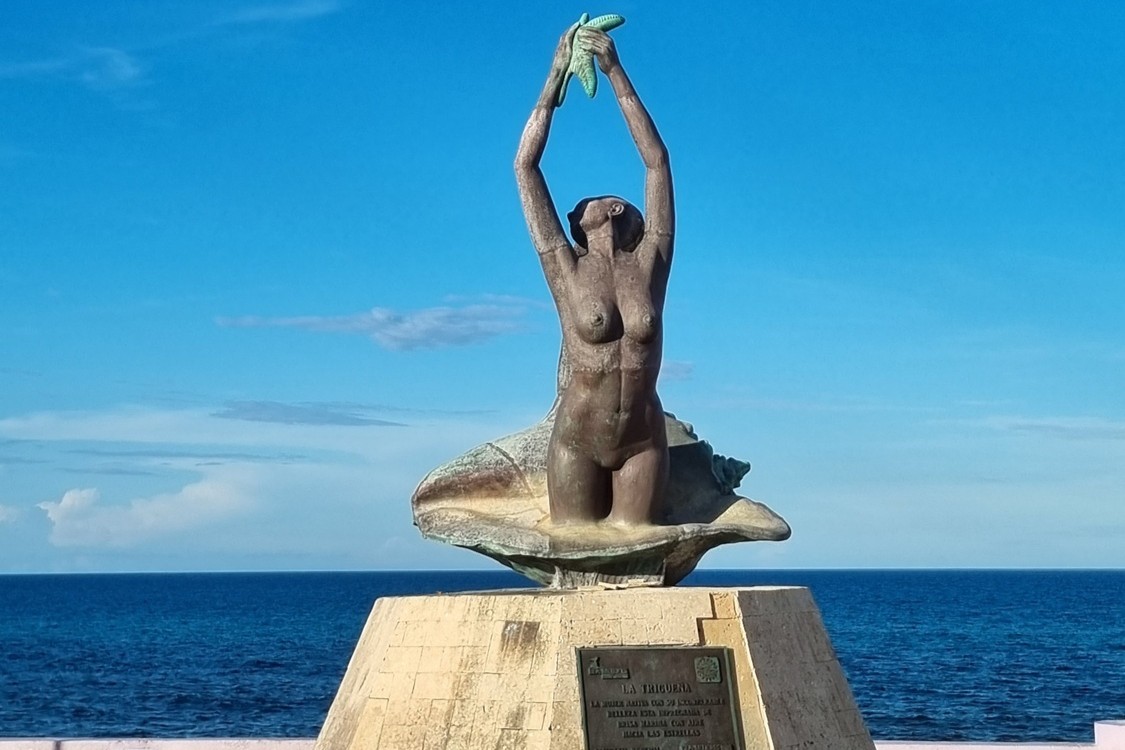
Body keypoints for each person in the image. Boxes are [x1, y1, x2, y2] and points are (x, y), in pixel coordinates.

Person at [514, 23, 674, 526]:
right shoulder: (566, 267)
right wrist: (553, 79)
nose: (570, 212)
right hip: (578, 439)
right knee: (571, 550)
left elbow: (656, 163)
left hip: (643, 438)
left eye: (585, 203)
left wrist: (615, 72)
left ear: (617, 210)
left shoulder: (651, 261)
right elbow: (525, 167)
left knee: (640, 548)